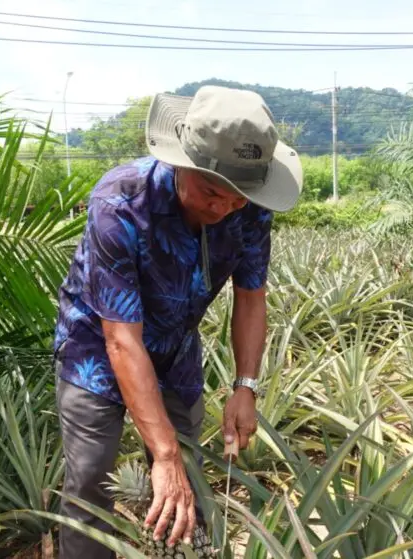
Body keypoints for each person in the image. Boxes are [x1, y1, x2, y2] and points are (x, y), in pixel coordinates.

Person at [51, 84, 303, 557]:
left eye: (237, 198)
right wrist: (159, 455)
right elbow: (121, 339)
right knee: (89, 481)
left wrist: (245, 385)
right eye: (212, 192)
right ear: (182, 162)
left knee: (188, 473)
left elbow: (251, 296)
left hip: (176, 345)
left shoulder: (249, 208)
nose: (223, 207)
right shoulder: (120, 202)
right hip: (95, 346)